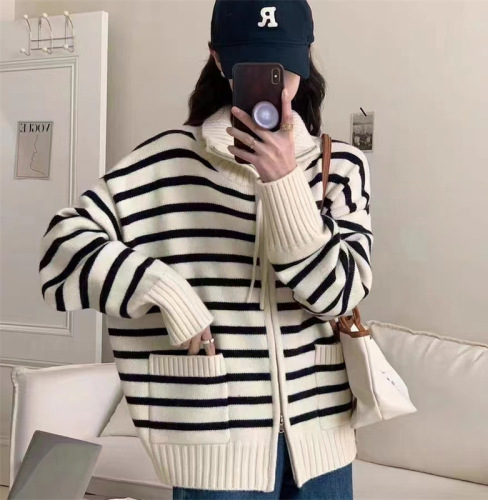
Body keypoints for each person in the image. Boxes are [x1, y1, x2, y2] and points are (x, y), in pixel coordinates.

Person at [38, 0, 373, 498]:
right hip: (213, 450)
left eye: (282, 67)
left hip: (324, 448)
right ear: (218, 59)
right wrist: (166, 291)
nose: (274, 85)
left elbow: (338, 296)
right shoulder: (164, 164)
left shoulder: (339, 167)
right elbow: (59, 253)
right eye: (252, 66)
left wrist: (284, 182)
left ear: (305, 59)